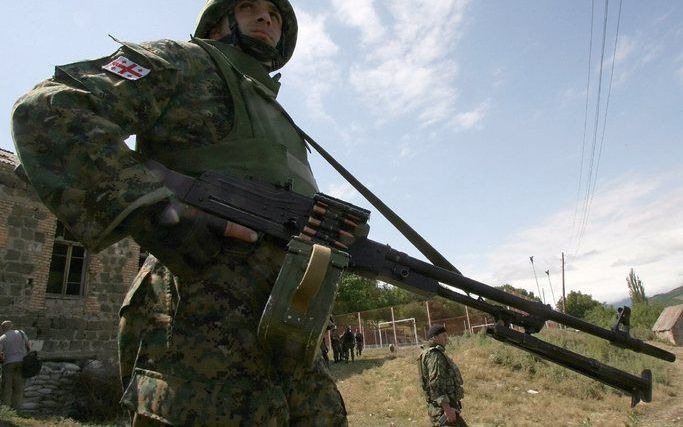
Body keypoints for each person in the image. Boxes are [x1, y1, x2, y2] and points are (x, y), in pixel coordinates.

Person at [12, 0, 346, 425]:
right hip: (199, 325)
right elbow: (51, 110)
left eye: (276, 14)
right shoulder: (183, 63)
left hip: (288, 334)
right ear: (218, 23)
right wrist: (170, 223)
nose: (266, 18)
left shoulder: (280, 117)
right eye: (249, 7)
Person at [418, 324, 467, 427]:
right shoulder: (435, 355)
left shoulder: (428, 353)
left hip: (439, 408)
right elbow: (436, 383)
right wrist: (447, 409)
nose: (446, 338)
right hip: (443, 410)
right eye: (443, 335)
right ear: (434, 338)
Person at [0, 321, 30, 410]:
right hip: (21, 362)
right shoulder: (21, 333)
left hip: (8, 364)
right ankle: (16, 408)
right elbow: (28, 347)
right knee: (19, 386)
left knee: (7, 387)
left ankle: (6, 409)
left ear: (2, 328)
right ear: (12, 326)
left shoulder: (2, 338)